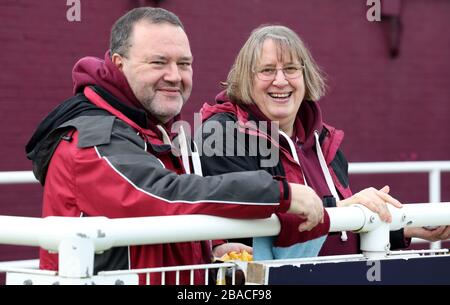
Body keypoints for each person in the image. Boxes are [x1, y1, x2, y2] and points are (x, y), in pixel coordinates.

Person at [24, 8, 328, 285]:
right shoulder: (92, 139)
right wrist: (279, 193)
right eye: (158, 62)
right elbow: (161, 194)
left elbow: (164, 221)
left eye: (184, 64)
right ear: (119, 64)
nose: (174, 76)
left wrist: (208, 246)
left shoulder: (149, 129)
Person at [197, 24, 450, 260]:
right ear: (246, 78)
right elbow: (249, 214)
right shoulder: (222, 134)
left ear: (305, 77)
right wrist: (339, 209)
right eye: (267, 70)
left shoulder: (325, 144)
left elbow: (339, 236)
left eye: (291, 69)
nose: (281, 80)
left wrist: (403, 227)